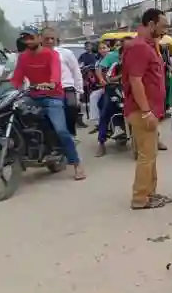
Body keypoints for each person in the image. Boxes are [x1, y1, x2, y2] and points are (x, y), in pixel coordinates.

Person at [10, 28, 86, 180]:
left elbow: (56, 74)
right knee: (16, 117)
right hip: (32, 95)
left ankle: (77, 164)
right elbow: (17, 77)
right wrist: (8, 84)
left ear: (38, 38)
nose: (28, 41)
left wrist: (51, 83)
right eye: (25, 39)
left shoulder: (51, 54)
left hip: (53, 96)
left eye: (31, 37)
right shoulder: (23, 57)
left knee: (61, 131)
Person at [123, 8, 171, 210]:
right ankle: (140, 198)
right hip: (142, 111)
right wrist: (146, 111)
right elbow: (135, 81)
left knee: (150, 154)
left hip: (150, 110)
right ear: (151, 24)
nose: (164, 30)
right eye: (162, 26)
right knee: (146, 155)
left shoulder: (150, 45)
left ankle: (150, 193)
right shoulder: (139, 47)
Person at [41, 27, 84, 138]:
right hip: (47, 89)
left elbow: (76, 71)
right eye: (47, 38)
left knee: (71, 107)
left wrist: (79, 91)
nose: (50, 41)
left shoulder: (66, 53)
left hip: (67, 87)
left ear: (56, 39)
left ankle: (71, 134)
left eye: (52, 38)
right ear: (41, 39)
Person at [95, 39, 125, 157]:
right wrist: (102, 80)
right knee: (105, 112)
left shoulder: (135, 57)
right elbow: (101, 70)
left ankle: (156, 139)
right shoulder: (112, 58)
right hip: (113, 88)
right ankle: (101, 143)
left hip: (131, 89)